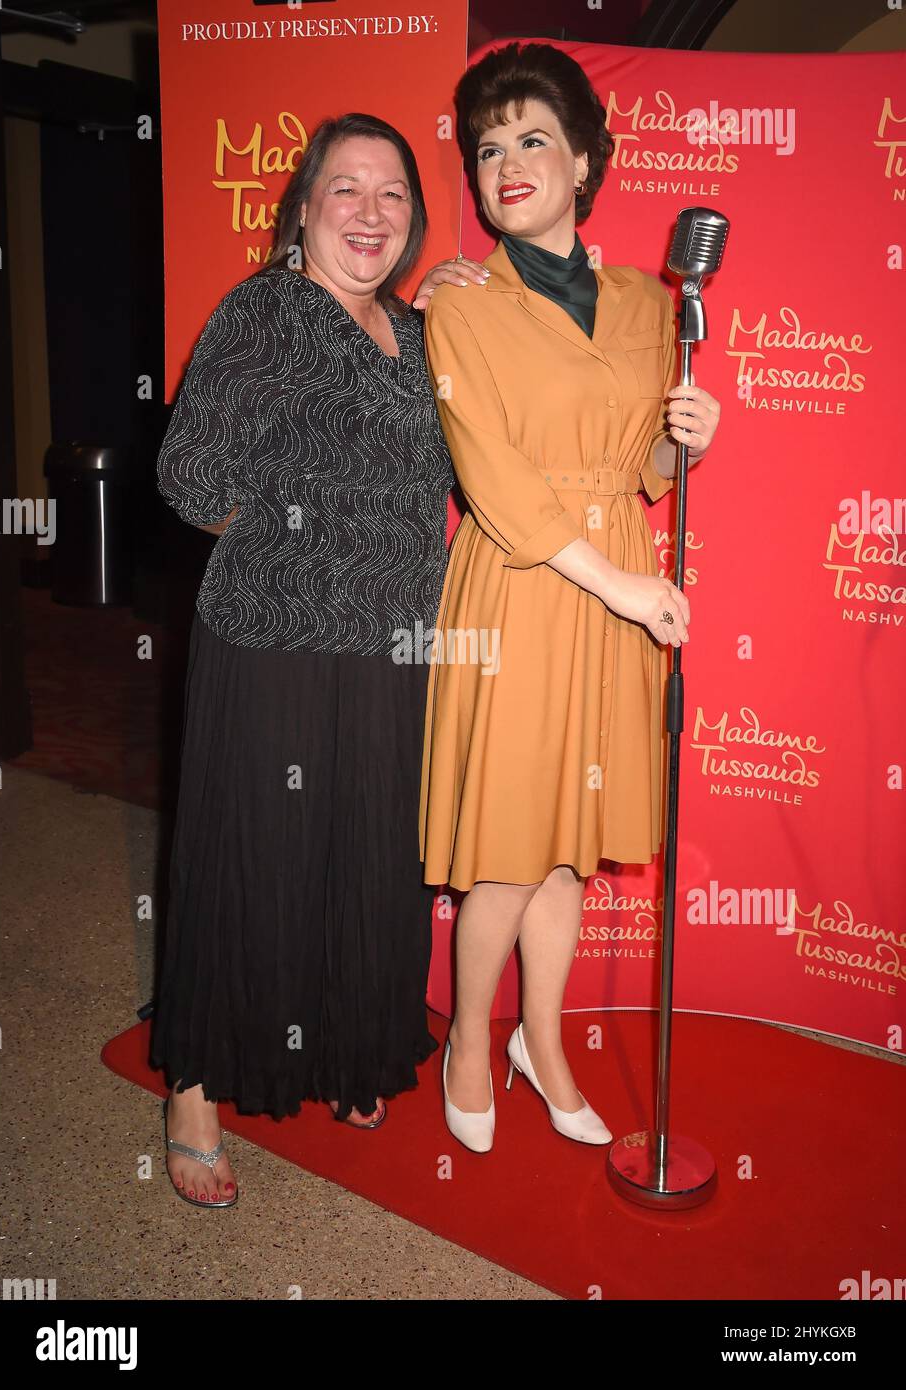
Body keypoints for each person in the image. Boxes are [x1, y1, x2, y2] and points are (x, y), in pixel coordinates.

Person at [150, 112, 488, 1207]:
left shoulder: (415, 333)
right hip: (276, 646)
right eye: (346, 189)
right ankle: (193, 1093)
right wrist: (301, 543)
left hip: (395, 649)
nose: (371, 213)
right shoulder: (265, 311)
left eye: (391, 195)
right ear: (302, 207)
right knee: (250, 861)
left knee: (365, 858)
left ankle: (346, 1049)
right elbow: (191, 478)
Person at [418, 43, 721, 1153]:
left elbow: (641, 463)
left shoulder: (651, 301)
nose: (505, 162)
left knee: (564, 848)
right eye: (487, 146)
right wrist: (629, 592)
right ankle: (466, 1039)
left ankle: (539, 1044)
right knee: (505, 847)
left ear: (586, 158)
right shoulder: (457, 304)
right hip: (519, 588)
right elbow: (491, 481)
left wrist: (690, 433)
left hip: (616, 585)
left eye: (532, 138)